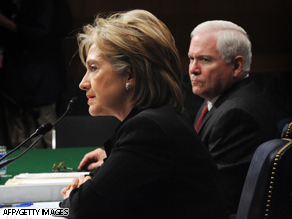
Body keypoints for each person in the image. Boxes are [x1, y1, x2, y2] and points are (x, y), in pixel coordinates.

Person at [60, 10, 229, 219]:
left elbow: (78, 210)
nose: (83, 83)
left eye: (93, 68)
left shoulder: (148, 129)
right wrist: (85, 184)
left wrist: (74, 196)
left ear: (130, 74)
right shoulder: (158, 118)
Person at [188, 20, 279, 216]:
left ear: (236, 65)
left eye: (204, 60)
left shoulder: (237, 114)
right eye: (191, 59)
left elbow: (218, 200)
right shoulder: (218, 99)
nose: (193, 69)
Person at [0, 0, 72, 149]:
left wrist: (6, 23)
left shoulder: (44, 5)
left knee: (48, 127)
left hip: (42, 74)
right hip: (13, 78)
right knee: (20, 136)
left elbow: (40, 33)